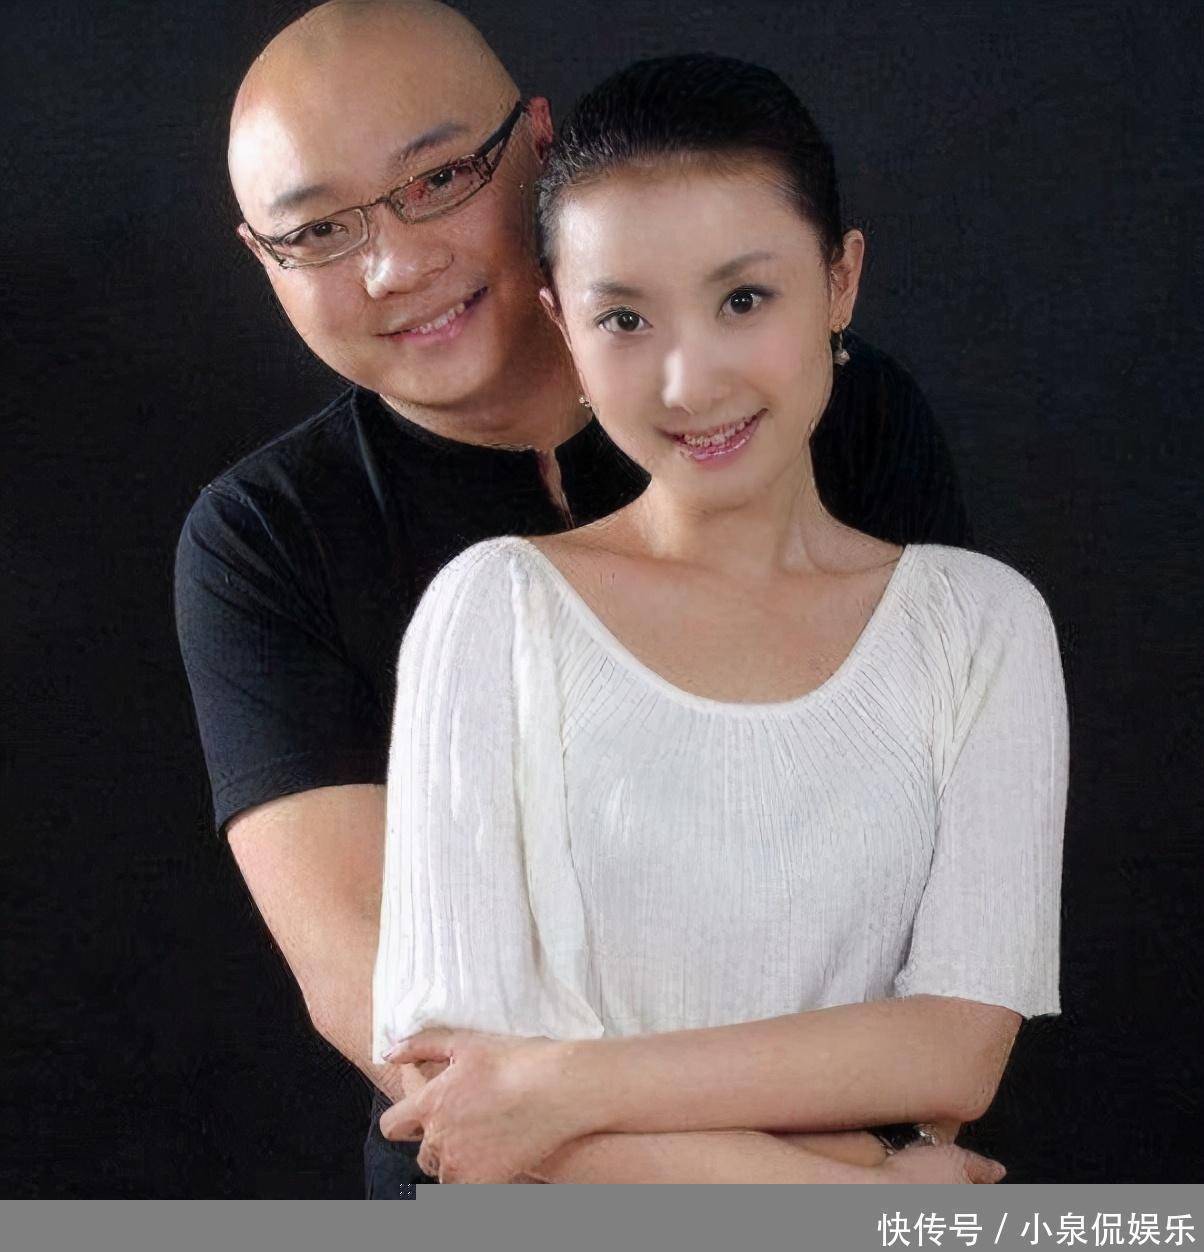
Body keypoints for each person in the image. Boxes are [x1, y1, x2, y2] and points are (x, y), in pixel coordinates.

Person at [175, 1, 971, 1195]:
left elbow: (943, 921)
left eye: (438, 180)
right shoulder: (264, 538)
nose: (395, 264)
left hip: (877, 1144)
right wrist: (810, 1194)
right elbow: (390, 1011)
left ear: (539, 149)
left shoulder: (829, 406)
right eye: (321, 230)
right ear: (263, 258)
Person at [370, 53, 1069, 1184]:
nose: (689, 383)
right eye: (624, 318)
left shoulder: (980, 629)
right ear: (561, 325)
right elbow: (462, 1106)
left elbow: (954, 1050)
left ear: (840, 281)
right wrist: (848, 1191)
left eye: (744, 300)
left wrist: (565, 1088)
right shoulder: (494, 611)